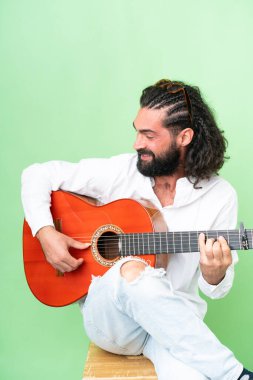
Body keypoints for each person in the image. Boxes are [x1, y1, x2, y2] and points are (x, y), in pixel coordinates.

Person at [21, 79, 252, 380]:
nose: (136, 143)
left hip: (174, 326)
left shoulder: (220, 196)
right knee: (132, 269)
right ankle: (236, 375)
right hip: (113, 322)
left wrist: (214, 273)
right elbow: (36, 174)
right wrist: (45, 231)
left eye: (149, 135)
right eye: (137, 131)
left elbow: (217, 289)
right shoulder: (121, 171)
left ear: (184, 137)